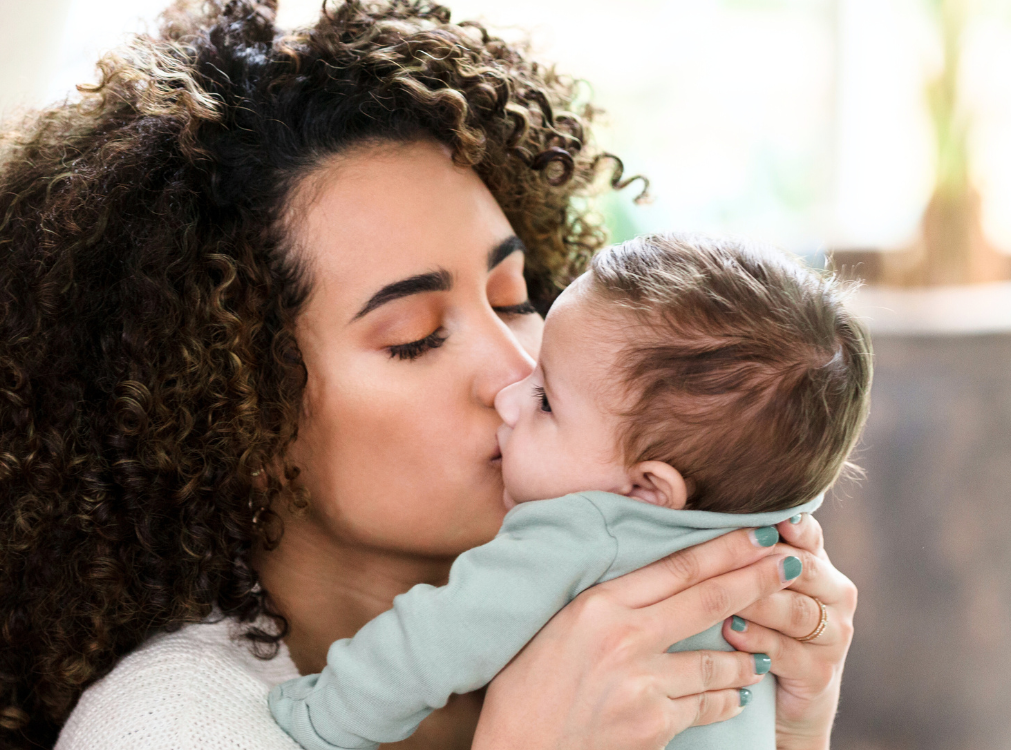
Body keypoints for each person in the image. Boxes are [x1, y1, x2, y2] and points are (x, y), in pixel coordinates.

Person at [0, 2, 859, 750]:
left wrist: (791, 729)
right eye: (414, 336)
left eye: (515, 295)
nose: (519, 369)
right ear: (233, 413)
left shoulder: (634, 656)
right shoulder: (171, 725)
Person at [266, 234, 872, 750]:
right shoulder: (775, 538)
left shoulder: (581, 533)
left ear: (647, 488)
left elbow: (429, 644)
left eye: (546, 400)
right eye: (415, 336)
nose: (510, 391)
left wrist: (319, 717)